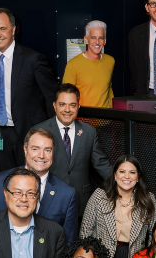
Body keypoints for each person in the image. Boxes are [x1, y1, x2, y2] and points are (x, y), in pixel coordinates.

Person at [80, 154, 156, 258]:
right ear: (115, 175)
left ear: (138, 176)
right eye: (122, 172)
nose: (127, 176)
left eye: (132, 172)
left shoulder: (148, 199)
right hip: (102, 257)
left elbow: (155, 235)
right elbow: (85, 230)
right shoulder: (100, 196)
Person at [0, 7, 56, 172]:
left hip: (28, 133)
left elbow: (52, 97)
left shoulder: (33, 59)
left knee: (32, 181)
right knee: (7, 181)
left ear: (13, 30)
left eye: (3, 28)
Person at [0, 127, 78, 243]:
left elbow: (68, 243)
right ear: (25, 150)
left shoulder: (67, 195)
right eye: (35, 149)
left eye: (47, 150)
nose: (41, 155)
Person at [38, 83, 112, 219]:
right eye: (62, 104)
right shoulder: (39, 131)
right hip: (49, 200)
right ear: (54, 105)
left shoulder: (89, 132)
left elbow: (101, 164)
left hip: (80, 202)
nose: (67, 109)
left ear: (78, 106)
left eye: (72, 105)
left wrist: (124, 183)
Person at [62, 20, 114, 108]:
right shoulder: (73, 64)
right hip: (83, 119)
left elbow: (109, 90)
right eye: (93, 38)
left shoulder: (110, 61)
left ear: (105, 41)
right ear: (86, 40)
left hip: (106, 119)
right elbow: (66, 96)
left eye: (100, 38)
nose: (97, 42)